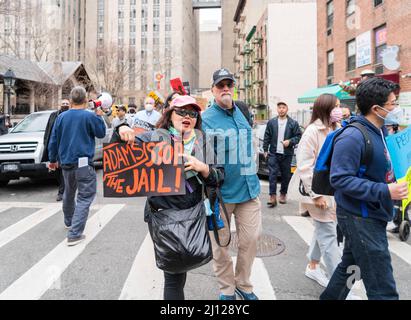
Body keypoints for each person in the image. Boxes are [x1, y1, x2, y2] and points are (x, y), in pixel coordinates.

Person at [116, 95, 224, 300]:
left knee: (180, 273)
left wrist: (203, 168)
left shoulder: (202, 142)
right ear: (170, 114)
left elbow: (220, 178)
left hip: (192, 216)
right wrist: (120, 129)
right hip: (164, 217)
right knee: (174, 277)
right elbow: (120, 155)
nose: (187, 116)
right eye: (181, 111)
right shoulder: (154, 137)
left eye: (192, 113)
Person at [321, 77, 408, 300]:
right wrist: (386, 191)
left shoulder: (380, 130)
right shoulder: (353, 136)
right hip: (360, 218)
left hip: (371, 214)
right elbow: (340, 179)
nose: (396, 108)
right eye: (393, 104)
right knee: (383, 288)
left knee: (351, 269)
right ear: (376, 108)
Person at [202, 68, 262, 300]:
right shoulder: (205, 119)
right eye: (220, 85)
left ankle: (243, 284)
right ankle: (227, 289)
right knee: (221, 246)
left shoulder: (242, 112)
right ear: (213, 90)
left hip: (250, 190)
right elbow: (200, 155)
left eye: (229, 84)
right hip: (222, 195)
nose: (225, 88)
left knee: (251, 240)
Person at [288, 94, 344, 289]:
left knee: (324, 229)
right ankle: (340, 286)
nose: (340, 109)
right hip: (319, 192)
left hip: (334, 190)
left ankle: (312, 266)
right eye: (336, 106)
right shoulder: (312, 132)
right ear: (325, 109)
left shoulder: (337, 128)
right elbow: (304, 166)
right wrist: (317, 194)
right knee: (329, 234)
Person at [48, 86, 106, 247]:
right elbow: (101, 133)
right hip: (83, 163)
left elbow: (53, 140)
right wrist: (99, 116)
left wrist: (52, 160)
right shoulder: (89, 116)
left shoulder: (61, 117)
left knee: (69, 191)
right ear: (86, 100)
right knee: (85, 196)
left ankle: (69, 221)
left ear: (71, 101)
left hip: (66, 162)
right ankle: (74, 233)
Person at [263, 102, 302, 207]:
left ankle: (283, 194)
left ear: (287, 109)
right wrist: (265, 150)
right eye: (279, 107)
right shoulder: (271, 122)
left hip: (287, 154)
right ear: (277, 109)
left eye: (283, 107)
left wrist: (289, 141)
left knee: (286, 175)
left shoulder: (293, 123)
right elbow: (267, 136)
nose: (281, 109)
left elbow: (298, 136)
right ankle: (272, 196)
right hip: (274, 153)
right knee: (272, 175)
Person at [42, 99, 71, 201]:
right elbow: (48, 129)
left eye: (67, 104)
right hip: (56, 145)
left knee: (63, 169)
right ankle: (64, 189)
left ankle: (62, 192)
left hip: (67, 147)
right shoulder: (54, 115)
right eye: (63, 104)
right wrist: (46, 142)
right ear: (60, 105)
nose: (65, 105)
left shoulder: (71, 115)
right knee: (57, 170)